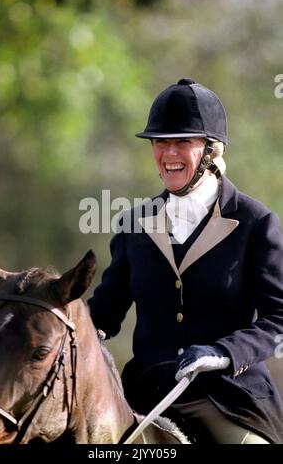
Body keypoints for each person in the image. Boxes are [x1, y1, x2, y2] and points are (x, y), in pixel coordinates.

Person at [88, 78, 283, 444]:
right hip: (144, 394)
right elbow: (103, 313)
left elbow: (280, 318)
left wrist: (224, 352)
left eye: (182, 142)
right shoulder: (134, 224)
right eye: (160, 142)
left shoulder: (256, 223)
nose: (169, 153)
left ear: (211, 151)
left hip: (226, 395)